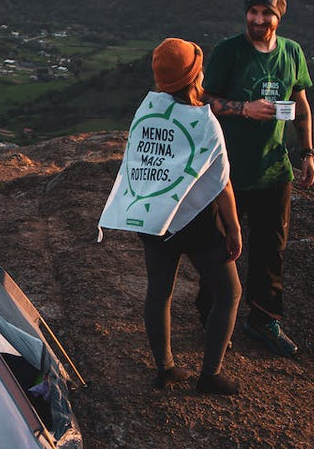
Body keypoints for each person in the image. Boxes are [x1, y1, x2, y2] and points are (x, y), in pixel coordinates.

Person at [99, 38, 244, 394]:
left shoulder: (146, 112)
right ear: (196, 76)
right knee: (229, 292)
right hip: (198, 224)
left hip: (155, 219)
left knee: (159, 292)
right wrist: (234, 228)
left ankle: (165, 370)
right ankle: (209, 375)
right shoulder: (205, 124)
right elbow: (221, 184)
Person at [199, 0, 314, 357]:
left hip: (273, 171)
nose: (258, 19)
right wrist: (243, 108)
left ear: (279, 15)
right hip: (226, 171)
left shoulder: (292, 53)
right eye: (253, 11)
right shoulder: (229, 51)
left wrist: (307, 153)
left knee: (271, 249)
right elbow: (204, 101)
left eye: (267, 12)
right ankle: (214, 319)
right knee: (217, 248)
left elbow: (301, 106)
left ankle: (263, 319)